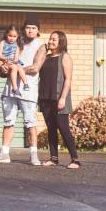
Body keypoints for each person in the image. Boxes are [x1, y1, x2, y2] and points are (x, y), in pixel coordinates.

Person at [0, 14, 46, 165]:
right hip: (11, 89)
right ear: (24, 29)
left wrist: (16, 68)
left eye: (34, 28)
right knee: (8, 121)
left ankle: (33, 155)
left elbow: (35, 68)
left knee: (30, 123)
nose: (30, 31)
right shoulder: (16, 41)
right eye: (28, 28)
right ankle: (4, 154)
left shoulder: (41, 45)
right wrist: (1, 65)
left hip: (28, 90)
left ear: (38, 30)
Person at [38, 31, 80, 169]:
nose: (51, 41)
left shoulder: (65, 57)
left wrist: (62, 98)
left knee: (64, 129)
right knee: (51, 129)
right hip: (45, 98)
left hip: (59, 98)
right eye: (50, 38)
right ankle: (54, 158)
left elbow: (68, 80)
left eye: (54, 39)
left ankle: (75, 160)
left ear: (61, 41)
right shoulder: (46, 57)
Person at [0, 24, 29, 97]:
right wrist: (6, 59)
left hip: (14, 61)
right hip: (5, 61)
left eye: (14, 36)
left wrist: (14, 61)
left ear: (18, 37)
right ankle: (15, 88)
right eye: (10, 36)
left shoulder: (17, 45)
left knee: (20, 67)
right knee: (14, 68)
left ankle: (25, 83)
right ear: (6, 34)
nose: (12, 38)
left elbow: (16, 57)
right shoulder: (3, 42)